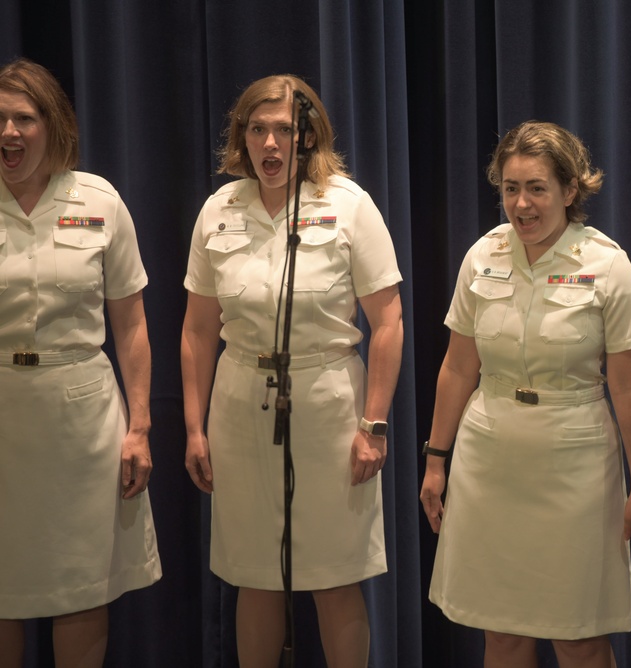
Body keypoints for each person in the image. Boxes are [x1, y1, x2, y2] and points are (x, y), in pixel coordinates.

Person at [181, 74, 402, 668]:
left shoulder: (348, 204)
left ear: (307, 135)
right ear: (242, 136)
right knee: (254, 573)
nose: (271, 145)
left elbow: (388, 322)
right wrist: (194, 427)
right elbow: (198, 330)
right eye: (259, 130)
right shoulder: (219, 210)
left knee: (334, 574)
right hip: (240, 401)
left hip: (330, 404)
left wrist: (373, 425)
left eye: (285, 130)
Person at [419, 120, 631, 668]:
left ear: (570, 191)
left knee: (577, 636)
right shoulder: (483, 256)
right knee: (501, 633)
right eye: (509, 188)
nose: (521, 204)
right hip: (490, 456)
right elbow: (458, 366)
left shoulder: (608, 266)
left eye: (537, 188)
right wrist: (435, 459)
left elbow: (628, 384)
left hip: (574, 463)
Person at [0, 58, 161, 667]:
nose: (10, 133)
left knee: (81, 581)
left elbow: (132, 323)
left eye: (24, 118)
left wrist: (140, 427)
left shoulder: (98, 199)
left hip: (82, 417)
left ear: (52, 123)